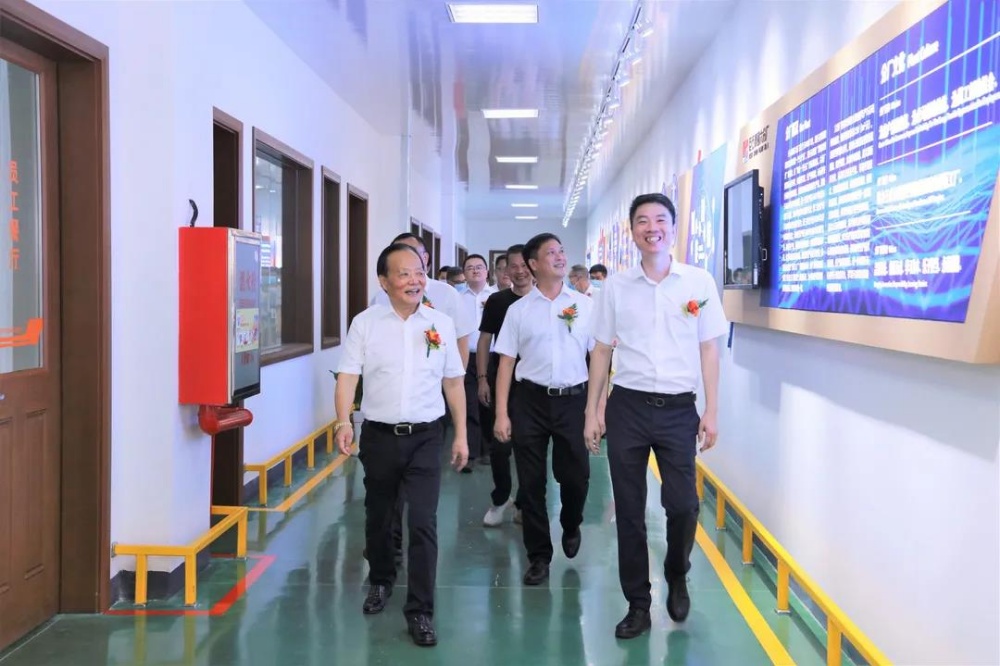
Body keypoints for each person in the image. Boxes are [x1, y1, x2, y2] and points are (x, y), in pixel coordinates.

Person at [583, 192, 728, 639]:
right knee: (629, 510)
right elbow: (602, 350)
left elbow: (709, 348)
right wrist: (592, 411)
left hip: (679, 408)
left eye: (660, 219)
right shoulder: (616, 287)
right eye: (642, 221)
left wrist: (712, 410)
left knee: (683, 505)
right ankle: (638, 604)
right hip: (628, 406)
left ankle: (677, 571)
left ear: (674, 227)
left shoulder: (698, 282)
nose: (652, 228)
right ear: (632, 231)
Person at [334, 242, 469, 647]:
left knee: (423, 522)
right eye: (404, 273)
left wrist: (462, 434)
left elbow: (453, 382)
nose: (415, 280)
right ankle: (381, 579)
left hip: (427, 436)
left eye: (419, 272)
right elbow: (348, 375)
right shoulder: (366, 323)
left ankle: (421, 610)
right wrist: (343, 421)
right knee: (380, 516)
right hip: (379, 436)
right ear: (384, 281)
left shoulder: (440, 323)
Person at [493, 233, 594, 585]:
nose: (560, 257)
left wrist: (598, 408)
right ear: (534, 264)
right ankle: (538, 556)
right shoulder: (519, 311)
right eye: (551, 253)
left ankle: (571, 522)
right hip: (529, 401)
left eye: (562, 250)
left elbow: (599, 358)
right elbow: (506, 363)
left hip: (574, 400)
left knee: (576, 475)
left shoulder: (585, 306)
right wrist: (502, 413)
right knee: (531, 483)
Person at [477, 244, 532, 527]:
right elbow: (484, 340)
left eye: (524, 265)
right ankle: (500, 498)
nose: (519, 271)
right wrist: (482, 378)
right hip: (501, 378)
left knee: (529, 447)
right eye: (513, 266)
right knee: (500, 446)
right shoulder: (498, 301)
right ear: (505, 270)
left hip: (532, 383)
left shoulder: (544, 301)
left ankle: (524, 502)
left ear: (533, 266)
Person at [459, 253, 496, 469]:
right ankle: (471, 453)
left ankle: (489, 449)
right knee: (469, 403)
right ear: (464, 274)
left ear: (487, 272)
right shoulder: (457, 298)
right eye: (470, 267)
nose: (475, 270)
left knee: (489, 403)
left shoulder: (496, 297)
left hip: (492, 356)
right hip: (465, 356)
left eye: (479, 267)